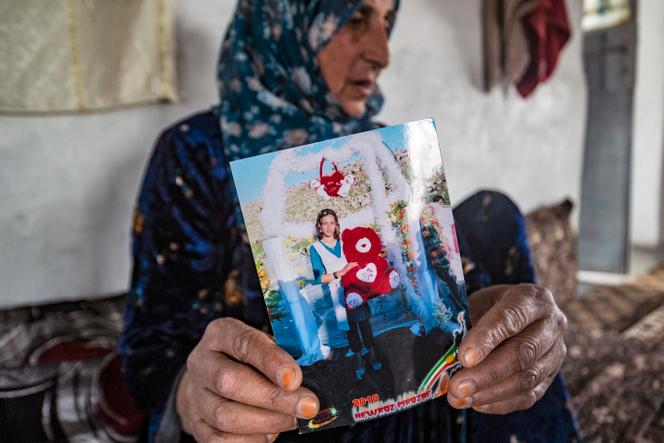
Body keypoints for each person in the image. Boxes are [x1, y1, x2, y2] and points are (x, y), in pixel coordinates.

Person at [120, 1, 580, 442]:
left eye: (386, 19)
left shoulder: (381, 151)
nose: (382, 53)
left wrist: (513, 332)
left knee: (492, 214)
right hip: (286, 427)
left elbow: (436, 291)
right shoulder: (196, 153)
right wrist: (194, 397)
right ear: (284, 19)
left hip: (415, 415)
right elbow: (150, 354)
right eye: (355, 18)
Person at [309, 209, 381, 380]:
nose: (328, 227)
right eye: (324, 223)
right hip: (338, 294)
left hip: (355, 289)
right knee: (351, 331)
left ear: (336, 225)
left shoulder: (345, 241)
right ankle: (359, 362)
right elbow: (319, 278)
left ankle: (373, 356)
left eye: (331, 223)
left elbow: (360, 255)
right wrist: (339, 273)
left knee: (364, 324)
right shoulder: (315, 248)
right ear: (319, 226)